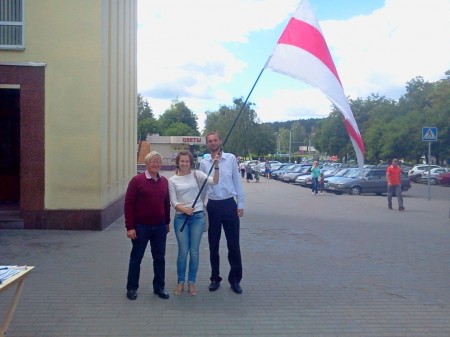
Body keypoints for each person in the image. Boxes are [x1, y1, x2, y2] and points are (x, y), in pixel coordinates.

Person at [168, 150, 220, 296]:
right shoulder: (172, 180)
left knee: (195, 252)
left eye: (187, 161)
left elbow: (215, 181)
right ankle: (180, 282)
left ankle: (191, 282)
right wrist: (183, 209)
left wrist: (216, 166)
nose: (184, 164)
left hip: (197, 217)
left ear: (191, 163)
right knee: (183, 252)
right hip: (181, 218)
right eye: (182, 161)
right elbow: (173, 201)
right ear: (177, 162)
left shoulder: (197, 175)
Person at [199, 132, 245, 294]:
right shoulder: (204, 163)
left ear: (220, 141)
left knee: (233, 245)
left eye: (215, 140)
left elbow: (237, 181)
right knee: (213, 245)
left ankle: (235, 280)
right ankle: (214, 278)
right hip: (213, 207)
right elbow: (203, 186)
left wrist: (240, 203)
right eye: (210, 141)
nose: (213, 143)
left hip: (229, 205)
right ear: (207, 144)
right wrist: (199, 206)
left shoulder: (231, 159)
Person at [124, 151, 171, 300]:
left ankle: (159, 287)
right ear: (147, 164)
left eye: (158, 162)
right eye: (153, 162)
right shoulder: (137, 181)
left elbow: (166, 203)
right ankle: (132, 288)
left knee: (159, 258)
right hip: (140, 227)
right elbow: (128, 204)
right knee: (136, 258)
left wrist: (167, 222)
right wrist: (130, 227)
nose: (156, 164)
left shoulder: (164, 181)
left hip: (159, 226)